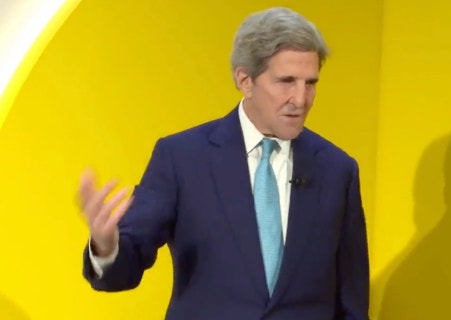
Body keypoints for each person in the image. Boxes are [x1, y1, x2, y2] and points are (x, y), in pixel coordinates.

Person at [76, 6, 370, 320]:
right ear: (245, 80)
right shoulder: (182, 158)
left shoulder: (337, 170)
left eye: (310, 83)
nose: (301, 99)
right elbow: (126, 267)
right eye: (286, 81)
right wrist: (106, 248)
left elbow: (351, 299)